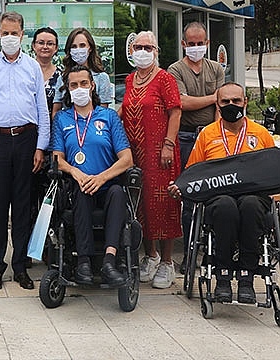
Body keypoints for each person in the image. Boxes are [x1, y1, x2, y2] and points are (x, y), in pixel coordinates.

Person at [168, 82, 275, 303]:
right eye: (225, 101)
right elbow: (193, 172)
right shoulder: (207, 134)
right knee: (225, 206)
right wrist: (181, 188)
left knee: (250, 205)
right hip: (218, 197)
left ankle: (247, 277)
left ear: (244, 102)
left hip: (253, 196)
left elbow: (272, 172)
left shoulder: (261, 133)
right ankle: (222, 275)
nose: (231, 105)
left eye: (236, 101)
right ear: (218, 104)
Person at [0, 12, 50, 291]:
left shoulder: (32, 68)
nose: (9, 38)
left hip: (27, 139)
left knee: (22, 206)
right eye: (5, 33)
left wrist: (41, 146)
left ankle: (20, 266)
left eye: (14, 33)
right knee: (0, 205)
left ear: (22, 34)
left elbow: (42, 110)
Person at [51, 65, 133, 287]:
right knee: (81, 190)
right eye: (74, 85)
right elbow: (57, 158)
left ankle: (109, 261)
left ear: (92, 85)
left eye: (83, 84)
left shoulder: (108, 117)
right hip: (79, 185)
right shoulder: (62, 119)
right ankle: (84, 262)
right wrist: (76, 172)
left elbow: (127, 159)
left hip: (108, 185)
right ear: (67, 89)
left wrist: (101, 178)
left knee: (117, 193)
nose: (79, 89)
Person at [117, 31, 182, 289]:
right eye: (138, 47)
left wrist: (168, 144)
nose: (142, 51)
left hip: (160, 153)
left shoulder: (165, 78)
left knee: (163, 202)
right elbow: (123, 110)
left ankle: (167, 262)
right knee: (140, 203)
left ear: (156, 51)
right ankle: (150, 255)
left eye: (148, 47)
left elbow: (175, 112)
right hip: (135, 152)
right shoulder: (131, 79)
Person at [167, 22, 225, 273]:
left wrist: (214, 136)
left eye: (200, 43)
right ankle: (189, 253)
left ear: (207, 43)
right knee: (188, 194)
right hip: (185, 136)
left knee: (213, 193)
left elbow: (220, 108)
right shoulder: (175, 69)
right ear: (183, 44)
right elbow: (181, 102)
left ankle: (211, 250)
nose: (196, 47)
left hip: (210, 137)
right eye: (191, 44)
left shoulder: (216, 69)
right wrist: (214, 97)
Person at [28, 27, 63, 269]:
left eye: (50, 43)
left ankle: (50, 249)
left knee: (50, 199)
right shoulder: (24, 70)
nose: (45, 47)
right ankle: (28, 249)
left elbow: (57, 112)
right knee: (27, 198)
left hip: (51, 145)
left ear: (56, 48)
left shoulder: (61, 76)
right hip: (25, 142)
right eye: (41, 42)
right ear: (33, 46)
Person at [53, 27, 113, 115]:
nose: (78, 50)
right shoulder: (62, 78)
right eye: (74, 46)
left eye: (82, 45)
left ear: (90, 48)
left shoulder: (102, 78)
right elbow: (56, 111)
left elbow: (103, 113)